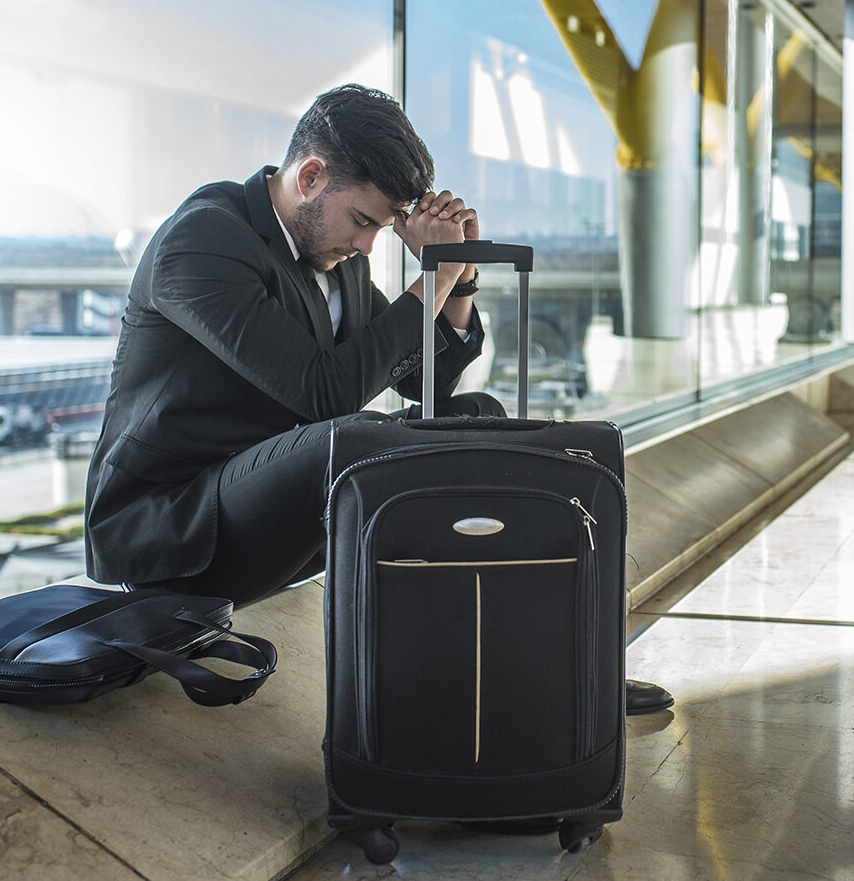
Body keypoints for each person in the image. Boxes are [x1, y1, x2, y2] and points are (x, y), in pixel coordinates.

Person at [84, 84, 671, 716]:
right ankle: (500, 674)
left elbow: (421, 384)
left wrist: (460, 275)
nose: (368, 246)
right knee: (353, 439)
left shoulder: (336, 258)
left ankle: (559, 665)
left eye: (383, 228)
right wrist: (432, 277)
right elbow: (324, 393)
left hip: (281, 503)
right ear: (311, 176)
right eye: (364, 222)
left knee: (479, 421)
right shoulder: (203, 242)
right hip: (175, 528)